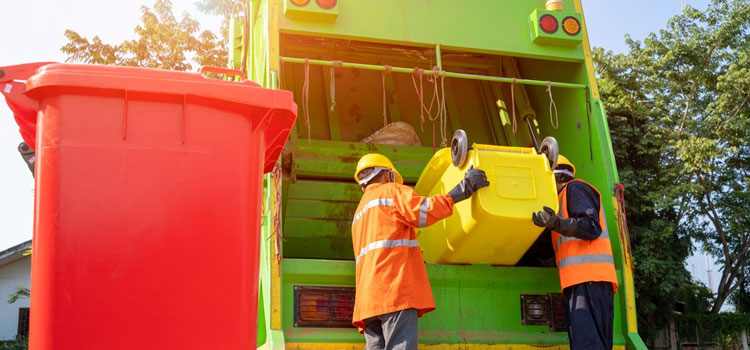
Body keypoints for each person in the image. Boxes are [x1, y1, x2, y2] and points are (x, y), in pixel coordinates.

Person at [351, 153, 489, 350]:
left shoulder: (359, 213)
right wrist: (463, 189)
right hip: (394, 292)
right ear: (388, 175)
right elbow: (424, 211)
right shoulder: (391, 192)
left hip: (368, 301)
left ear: (363, 182)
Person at [531, 155, 618, 350]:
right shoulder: (558, 205)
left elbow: (591, 227)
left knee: (587, 345)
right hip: (581, 283)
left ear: (555, 177)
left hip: (589, 279)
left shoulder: (575, 188)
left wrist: (557, 223)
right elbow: (543, 249)